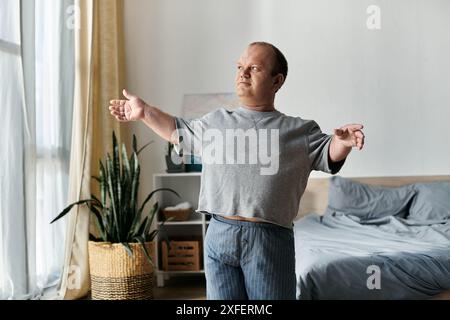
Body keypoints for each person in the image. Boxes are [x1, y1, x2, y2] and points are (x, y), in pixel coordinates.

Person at [109, 42, 365, 300]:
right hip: (219, 233)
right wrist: (145, 112)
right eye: (240, 67)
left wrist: (342, 143)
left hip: (269, 239)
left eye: (254, 68)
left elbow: (328, 153)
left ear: (277, 81)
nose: (243, 73)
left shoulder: (299, 131)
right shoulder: (216, 122)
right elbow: (177, 131)